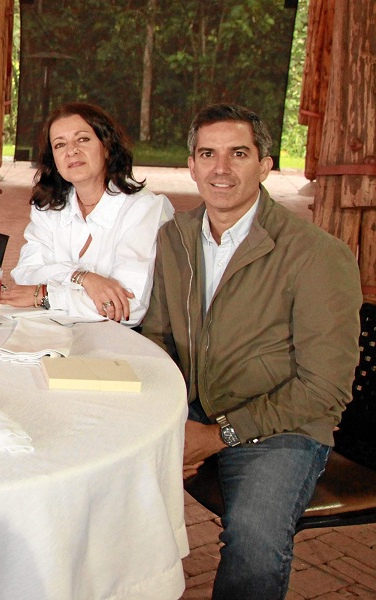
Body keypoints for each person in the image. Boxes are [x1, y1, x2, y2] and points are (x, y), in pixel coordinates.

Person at [141, 104, 361, 599]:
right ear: (192, 165)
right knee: (105, 479)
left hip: (282, 425)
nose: (221, 169)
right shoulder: (174, 237)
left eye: (238, 154)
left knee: (255, 540)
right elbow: (157, 337)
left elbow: (323, 388)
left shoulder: (318, 255)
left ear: (264, 165)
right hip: (196, 405)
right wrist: (170, 421)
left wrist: (217, 435)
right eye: (208, 154)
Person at [3, 102, 173, 325]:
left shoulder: (145, 208)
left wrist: (44, 294)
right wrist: (82, 278)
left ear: (107, 146)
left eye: (82, 139)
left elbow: (126, 306)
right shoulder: (48, 205)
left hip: (119, 342)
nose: (71, 151)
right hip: (51, 328)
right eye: (59, 144)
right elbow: (25, 273)